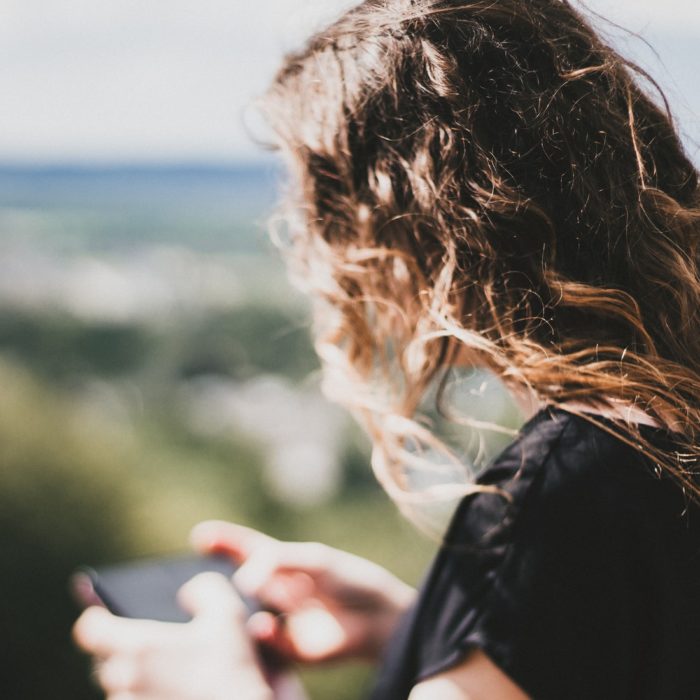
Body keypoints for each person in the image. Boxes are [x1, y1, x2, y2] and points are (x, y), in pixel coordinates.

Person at [73, 0, 700, 698]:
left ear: (405, 215)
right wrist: (417, 625)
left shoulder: (564, 488)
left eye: (322, 199)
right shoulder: (658, 450)